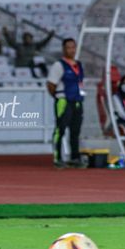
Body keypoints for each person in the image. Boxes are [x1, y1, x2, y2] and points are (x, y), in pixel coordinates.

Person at [46, 38, 84, 168]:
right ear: (64, 49)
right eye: (68, 47)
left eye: (73, 47)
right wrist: (59, 97)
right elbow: (51, 84)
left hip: (77, 101)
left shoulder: (78, 64)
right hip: (64, 100)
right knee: (60, 129)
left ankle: (75, 157)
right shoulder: (59, 65)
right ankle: (58, 157)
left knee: (75, 131)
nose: (71, 50)